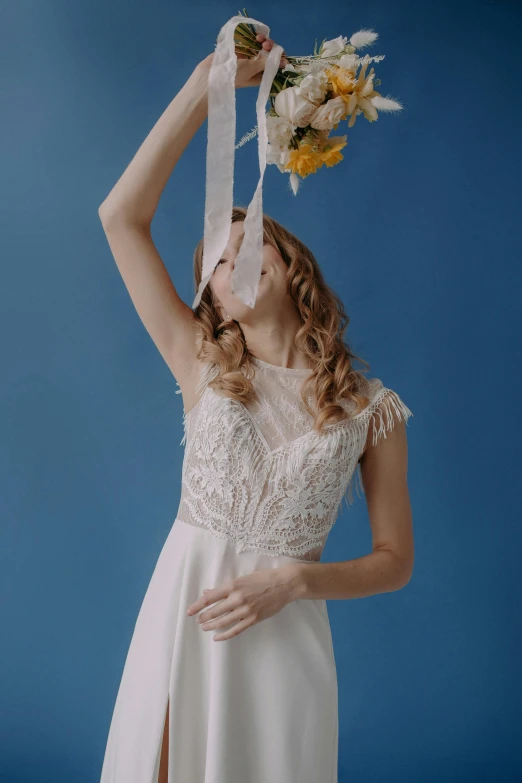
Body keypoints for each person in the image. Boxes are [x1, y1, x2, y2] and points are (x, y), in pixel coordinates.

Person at [97, 33, 414, 783]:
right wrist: (206, 85)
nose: (237, 252)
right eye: (218, 258)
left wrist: (296, 581)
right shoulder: (199, 362)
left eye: (252, 237)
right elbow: (119, 216)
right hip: (186, 622)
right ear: (214, 306)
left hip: (285, 640)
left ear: (287, 256)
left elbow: (394, 561)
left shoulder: (373, 410)